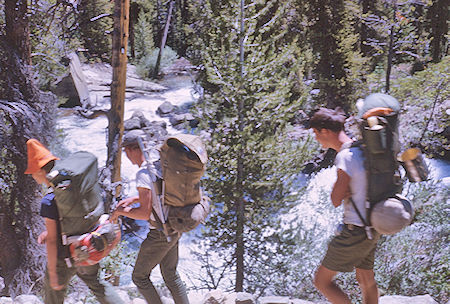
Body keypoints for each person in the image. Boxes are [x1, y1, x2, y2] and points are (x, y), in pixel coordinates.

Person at [25, 138, 123, 304]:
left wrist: (53, 272)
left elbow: (52, 241)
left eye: (33, 172)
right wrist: (49, 231)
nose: (32, 176)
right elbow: (69, 216)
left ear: (41, 171)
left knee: (52, 290)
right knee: (97, 283)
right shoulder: (69, 188)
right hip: (91, 242)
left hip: (68, 252)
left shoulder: (49, 200)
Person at [309, 108, 380, 304]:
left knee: (322, 281)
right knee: (366, 278)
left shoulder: (345, 157)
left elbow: (335, 199)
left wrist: (342, 189)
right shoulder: (361, 149)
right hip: (372, 225)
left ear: (325, 131)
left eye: (315, 133)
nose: (316, 139)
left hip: (355, 229)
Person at [112, 130, 189, 304]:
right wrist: (134, 199)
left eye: (126, 151)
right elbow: (158, 194)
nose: (126, 155)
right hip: (175, 225)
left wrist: (119, 212)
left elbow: (143, 214)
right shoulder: (160, 165)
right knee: (170, 274)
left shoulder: (143, 175)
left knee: (139, 276)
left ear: (134, 150)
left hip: (160, 233)